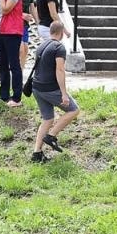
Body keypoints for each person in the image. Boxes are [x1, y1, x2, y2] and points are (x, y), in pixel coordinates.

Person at [30, 21, 80, 163]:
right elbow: (60, 70)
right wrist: (64, 93)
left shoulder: (41, 45)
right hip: (49, 88)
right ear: (61, 32)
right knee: (73, 110)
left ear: (51, 31)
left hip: (36, 87)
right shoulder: (59, 47)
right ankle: (51, 136)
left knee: (47, 119)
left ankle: (37, 153)